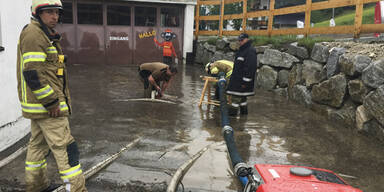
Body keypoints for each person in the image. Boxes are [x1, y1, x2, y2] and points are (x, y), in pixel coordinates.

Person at [16, 0, 87, 191]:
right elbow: (32, 74)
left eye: (56, 12)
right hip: (49, 109)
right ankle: (78, 189)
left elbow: (44, 69)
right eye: (49, 12)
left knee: (38, 147)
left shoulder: (45, 35)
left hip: (40, 108)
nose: (55, 16)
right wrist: (52, 102)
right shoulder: (34, 34)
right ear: (37, 13)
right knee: (67, 150)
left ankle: (37, 186)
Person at [226, 33, 257, 116]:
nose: (240, 42)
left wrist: (245, 82)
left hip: (241, 82)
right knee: (243, 99)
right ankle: (243, 120)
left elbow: (251, 68)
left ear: (247, 39)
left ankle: (231, 121)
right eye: (239, 40)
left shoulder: (250, 51)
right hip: (237, 80)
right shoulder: (242, 50)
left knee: (235, 101)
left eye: (242, 40)